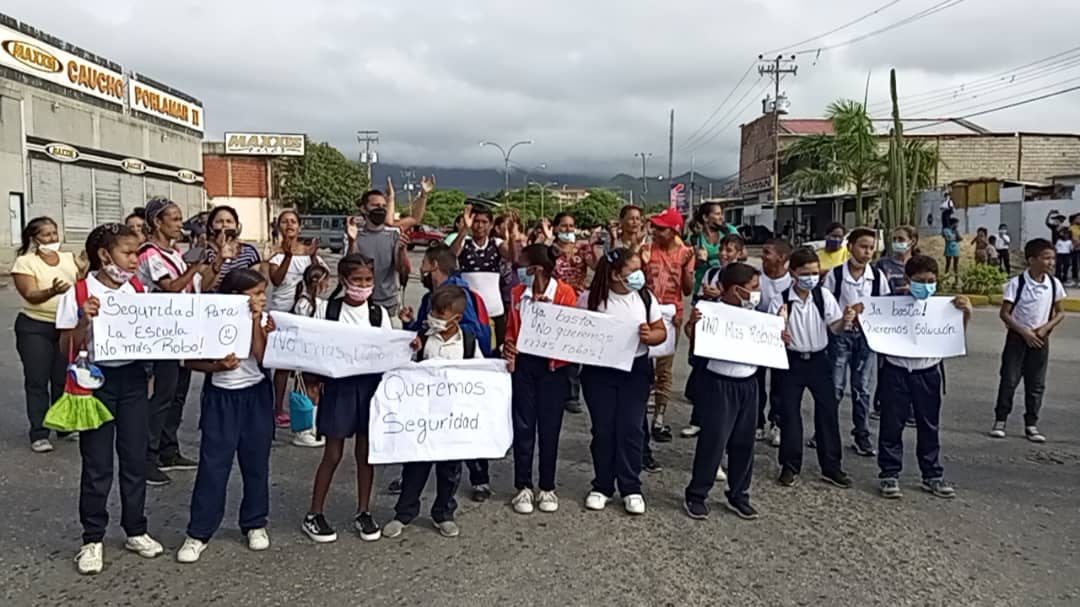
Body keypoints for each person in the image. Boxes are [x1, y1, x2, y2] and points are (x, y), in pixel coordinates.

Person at [56, 223, 162, 575]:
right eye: (128, 253)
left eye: (137, 253)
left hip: (131, 379)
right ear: (105, 254)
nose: (135, 261)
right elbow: (64, 346)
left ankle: (136, 529)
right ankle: (92, 538)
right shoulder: (80, 291)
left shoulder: (138, 289)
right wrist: (85, 320)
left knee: (134, 458)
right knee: (98, 464)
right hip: (94, 381)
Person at [176, 269, 276, 563]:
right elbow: (190, 360)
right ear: (233, 297)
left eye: (262, 293)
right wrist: (217, 366)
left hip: (255, 395)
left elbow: (263, 357)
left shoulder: (265, 320)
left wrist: (257, 321)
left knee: (256, 461)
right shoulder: (211, 319)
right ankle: (199, 532)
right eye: (254, 293)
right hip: (222, 397)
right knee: (213, 465)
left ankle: (255, 522)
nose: (261, 298)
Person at [302, 253, 393, 544]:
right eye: (357, 280)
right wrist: (312, 383)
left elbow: (391, 348)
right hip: (339, 388)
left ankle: (363, 511)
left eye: (368, 280)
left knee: (366, 453)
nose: (363, 285)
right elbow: (311, 348)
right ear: (344, 281)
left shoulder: (378, 314)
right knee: (333, 453)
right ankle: (314, 513)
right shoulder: (327, 310)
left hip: (370, 389)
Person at [393, 244, 493, 500]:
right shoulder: (430, 297)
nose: (420, 268)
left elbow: (473, 330)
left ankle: (479, 478)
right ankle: (409, 479)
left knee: (464, 427)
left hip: (460, 375)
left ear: (433, 265)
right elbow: (425, 329)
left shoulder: (461, 295)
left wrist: (448, 337)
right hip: (432, 382)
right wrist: (411, 325)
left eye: (423, 262)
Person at [383, 286, 478, 539]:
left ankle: (443, 513)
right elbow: (405, 368)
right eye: (432, 311)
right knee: (415, 467)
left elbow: (482, 373)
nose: (432, 317)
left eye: (439, 313)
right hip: (423, 417)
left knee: (450, 469)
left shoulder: (468, 342)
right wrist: (411, 348)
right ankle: (404, 513)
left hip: (452, 418)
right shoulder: (423, 337)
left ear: (456, 318)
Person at [579, 248, 666, 515]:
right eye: (633, 271)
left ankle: (631, 487)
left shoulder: (644, 297)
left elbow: (661, 331)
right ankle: (603, 485)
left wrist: (650, 337)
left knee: (631, 429)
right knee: (604, 430)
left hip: (635, 371)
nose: (640, 275)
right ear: (616, 274)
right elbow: (575, 334)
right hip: (599, 373)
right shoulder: (591, 299)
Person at [878, 255, 972, 499]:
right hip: (896, 371)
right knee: (891, 423)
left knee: (929, 425)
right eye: (921, 281)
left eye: (931, 280)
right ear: (908, 279)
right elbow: (872, 325)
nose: (927, 285)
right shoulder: (890, 304)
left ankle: (932, 475)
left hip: (928, 372)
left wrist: (966, 313)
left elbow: (954, 335)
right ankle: (889, 474)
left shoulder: (945, 306)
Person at [138, 197, 214, 487]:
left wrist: (210, 265)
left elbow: (198, 286)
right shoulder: (150, 254)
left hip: (182, 329)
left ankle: (168, 448)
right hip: (163, 329)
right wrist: (194, 267)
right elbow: (170, 286)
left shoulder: (175, 253)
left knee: (178, 391)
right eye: (174, 218)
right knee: (163, 392)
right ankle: (147, 456)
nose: (180, 223)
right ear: (158, 222)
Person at [683, 263, 764, 521]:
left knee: (744, 442)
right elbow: (696, 344)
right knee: (714, 440)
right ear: (737, 290)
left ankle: (739, 493)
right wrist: (694, 325)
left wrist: (779, 337)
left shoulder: (757, 315)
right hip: (719, 383)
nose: (757, 292)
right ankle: (697, 494)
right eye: (753, 288)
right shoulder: (711, 310)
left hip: (748, 382)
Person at [503, 245, 578, 515]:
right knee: (523, 426)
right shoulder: (516, 294)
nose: (518, 270)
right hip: (524, 365)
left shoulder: (565, 294)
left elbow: (571, 334)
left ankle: (547, 486)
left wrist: (549, 317)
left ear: (536, 268)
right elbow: (511, 330)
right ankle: (522, 485)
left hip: (553, 369)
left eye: (522, 265)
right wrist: (509, 346)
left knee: (550, 427)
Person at [772, 248, 854, 489]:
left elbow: (835, 327)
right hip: (791, 361)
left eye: (815, 272)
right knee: (789, 414)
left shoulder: (823, 296)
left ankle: (831, 467)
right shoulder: (781, 299)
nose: (811, 277)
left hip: (819, 360)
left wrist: (845, 320)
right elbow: (771, 332)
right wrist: (780, 329)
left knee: (828, 413)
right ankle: (790, 465)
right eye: (805, 273)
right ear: (793, 273)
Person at [12, 216, 84, 452]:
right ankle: (39, 432)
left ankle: (62, 425)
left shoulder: (68, 259)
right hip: (35, 327)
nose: (53, 238)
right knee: (37, 380)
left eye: (54, 233)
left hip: (66, 326)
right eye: (46, 235)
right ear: (35, 239)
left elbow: (81, 283)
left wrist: (85, 268)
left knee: (62, 379)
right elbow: (30, 294)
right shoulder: (25, 262)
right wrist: (52, 291)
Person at [990, 239, 1066, 443]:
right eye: (1046, 258)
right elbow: (1005, 314)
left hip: (1040, 339)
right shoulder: (1018, 283)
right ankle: (1000, 420)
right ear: (1032, 260)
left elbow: (1060, 312)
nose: (1051, 262)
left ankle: (1031, 424)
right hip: (1018, 338)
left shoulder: (1053, 283)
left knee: (1036, 384)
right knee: (1009, 379)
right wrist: (1024, 332)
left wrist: (1045, 328)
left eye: (1053, 258)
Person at [822, 227, 890, 457]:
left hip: (866, 338)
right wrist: (843, 316)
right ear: (850, 247)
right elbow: (825, 302)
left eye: (871, 248)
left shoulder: (878, 277)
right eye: (862, 246)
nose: (867, 252)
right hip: (841, 336)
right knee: (836, 387)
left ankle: (862, 434)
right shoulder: (836, 275)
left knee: (862, 388)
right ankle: (825, 432)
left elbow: (885, 306)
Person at [680, 233, 746, 441]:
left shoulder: (745, 276)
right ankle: (697, 420)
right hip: (709, 334)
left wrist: (719, 295)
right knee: (702, 377)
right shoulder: (711, 274)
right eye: (723, 249)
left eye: (730, 250)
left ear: (739, 253)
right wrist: (705, 298)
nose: (725, 254)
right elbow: (697, 300)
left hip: (731, 336)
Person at [347, 176, 434, 321]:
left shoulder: (393, 233)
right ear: (363, 208)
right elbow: (350, 267)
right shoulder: (354, 233)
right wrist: (352, 241)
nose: (380, 209)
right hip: (358, 303)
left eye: (383, 206)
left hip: (388, 305)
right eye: (375, 206)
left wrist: (401, 249)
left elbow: (402, 269)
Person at [268, 209, 324, 428]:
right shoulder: (275, 253)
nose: (289, 225)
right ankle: (278, 409)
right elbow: (277, 280)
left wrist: (311, 257)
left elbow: (319, 279)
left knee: (305, 362)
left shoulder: (310, 252)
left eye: (293, 221)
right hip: (282, 312)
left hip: (305, 313)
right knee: (283, 365)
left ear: (299, 226)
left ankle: (304, 403)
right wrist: (288, 256)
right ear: (278, 227)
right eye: (284, 222)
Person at [643, 208, 695, 443]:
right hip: (645, 312)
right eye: (654, 227)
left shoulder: (686, 253)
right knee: (643, 365)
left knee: (664, 369)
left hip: (672, 314)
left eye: (660, 228)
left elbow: (687, 289)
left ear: (673, 230)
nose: (655, 231)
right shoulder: (647, 249)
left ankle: (659, 418)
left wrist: (688, 268)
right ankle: (642, 410)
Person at [450, 203, 516, 353]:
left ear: (491, 225)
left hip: (495, 312)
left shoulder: (496, 243)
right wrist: (463, 230)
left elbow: (512, 256)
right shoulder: (464, 244)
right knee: (469, 353)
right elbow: (452, 254)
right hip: (470, 313)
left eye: (484, 222)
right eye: (476, 221)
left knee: (495, 355)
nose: (480, 226)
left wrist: (511, 237)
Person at [871, 226, 918, 426]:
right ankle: (883, 404)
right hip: (889, 322)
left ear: (913, 241)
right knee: (887, 366)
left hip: (913, 322)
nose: (897, 242)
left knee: (911, 367)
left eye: (901, 238)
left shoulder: (918, 264)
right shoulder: (883, 265)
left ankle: (911, 410)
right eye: (895, 238)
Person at [551, 211, 594, 415]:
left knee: (575, 350)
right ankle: (558, 390)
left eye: (571, 226)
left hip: (578, 303)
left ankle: (573, 395)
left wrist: (593, 247)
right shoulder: (550, 250)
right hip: (556, 303)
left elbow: (596, 265)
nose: (568, 230)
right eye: (564, 226)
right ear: (555, 228)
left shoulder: (582, 249)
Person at [754, 238, 793, 446]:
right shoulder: (757, 280)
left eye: (768, 252)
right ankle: (757, 422)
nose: (763, 256)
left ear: (781, 257)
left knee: (779, 384)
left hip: (781, 341)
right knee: (757, 382)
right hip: (759, 337)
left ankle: (776, 423)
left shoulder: (791, 283)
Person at [289, 264, 330, 449]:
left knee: (314, 390)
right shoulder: (304, 304)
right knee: (306, 390)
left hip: (316, 353)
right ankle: (303, 430)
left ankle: (312, 427)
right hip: (305, 354)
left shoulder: (318, 302)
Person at [203, 205, 261, 291]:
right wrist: (219, 257)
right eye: (219, 222)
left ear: (237, 226)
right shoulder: (205, 253)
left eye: (229, 221)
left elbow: (256, 284)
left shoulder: (249, 252)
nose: (225, 225)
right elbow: (205, 287)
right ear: (211, 227)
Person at [689, 202, 739, 297]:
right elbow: (690, 267)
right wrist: (699, 260)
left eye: (721, 214)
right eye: (717, 214)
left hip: (726, 288)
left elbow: (743, 254)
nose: (722, 218)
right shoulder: (695, 238)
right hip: (702, 289)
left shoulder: (729, 231)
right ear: (705, 218)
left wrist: (725, 255)